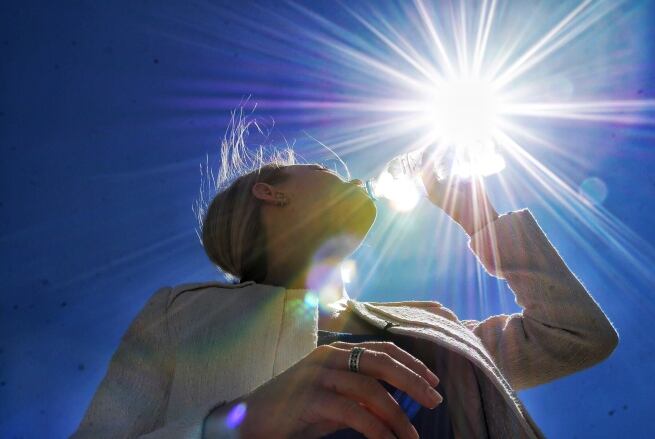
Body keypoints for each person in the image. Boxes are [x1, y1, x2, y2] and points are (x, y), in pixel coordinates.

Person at [71, 117, 619, 438]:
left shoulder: (431, 326)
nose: (349, 176)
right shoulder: (182, 314)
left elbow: (577, 336)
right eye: (325, 172)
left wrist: (479, 218)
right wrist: (240, 424)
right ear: (270, 190)